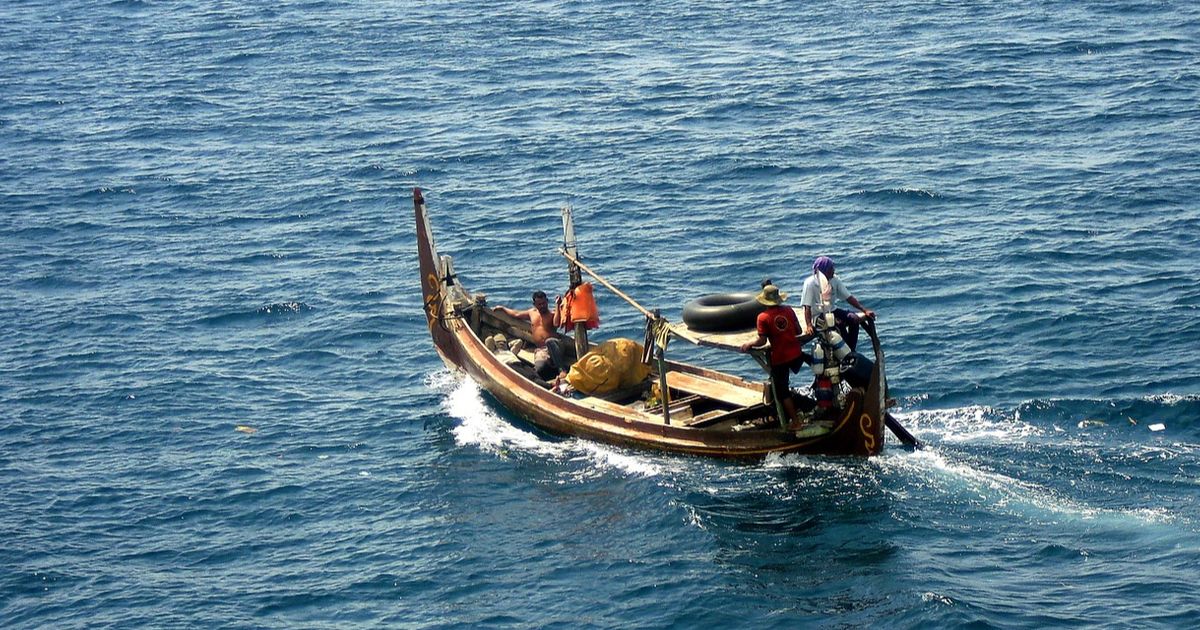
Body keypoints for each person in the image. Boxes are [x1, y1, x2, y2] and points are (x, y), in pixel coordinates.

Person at [739, 285, 812, 431]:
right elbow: (798, 330)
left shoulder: (763, 317)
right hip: (796, 353)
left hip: (780, 358)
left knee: (782, 392)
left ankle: (795, 422)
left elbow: (762, 341)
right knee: (811, 360)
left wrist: (748, 344)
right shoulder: (789, 310)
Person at [800, 256, 875, 351]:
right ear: (824, 271)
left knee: (854, 319)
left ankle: (851, 349)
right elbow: (807, 306)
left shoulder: (835, 280)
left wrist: (864, 310)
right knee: (838, 324)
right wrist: (809, 325)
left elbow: (848, 297)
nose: (833, 270)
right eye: (831, 268)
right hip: (818, 314)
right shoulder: (810, 283)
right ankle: (845, 352)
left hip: (832, 310)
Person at [494, 291, 567, 381]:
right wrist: (502, 308)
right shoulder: (532, 313)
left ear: (547, 301)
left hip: (555, 346)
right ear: (534, 304)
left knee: (549, 341)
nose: (542, 306)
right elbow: (516, 314)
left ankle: (562, 369)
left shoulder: (552, 314)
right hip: (542, 350)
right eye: (539, 304)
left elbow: (556, 324)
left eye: (544, 303)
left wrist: (558, 305)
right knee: (539, 369)